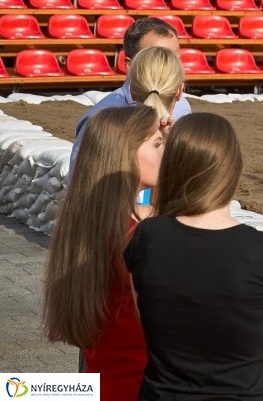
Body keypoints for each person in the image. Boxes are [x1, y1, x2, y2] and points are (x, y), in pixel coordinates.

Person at [125, 113, 263, 400]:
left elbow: (150, 321)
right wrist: (253, 346)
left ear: (171, 168)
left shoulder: (146, 239)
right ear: (232, 170)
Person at [44, 105, 164, 400]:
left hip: (102, 382)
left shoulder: (90, 220)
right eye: (158, 144)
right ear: (127, 154)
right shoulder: (135, 237)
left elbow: (167, 210)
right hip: (140, 388)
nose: (167, 153)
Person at [68, 17, 191, 181]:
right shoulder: (101, 120)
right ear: (129, 65)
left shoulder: (182, 108)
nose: (167, 67)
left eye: (174, 59)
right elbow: (80, 187)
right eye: (154, 58)